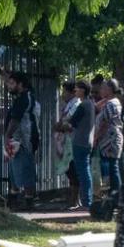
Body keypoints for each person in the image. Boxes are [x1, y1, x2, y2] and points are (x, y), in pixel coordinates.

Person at [2, 72, 40, 210]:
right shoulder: (24, 96)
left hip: (24, 140)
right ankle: (14, 200)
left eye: (12, 83)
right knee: (14, 171)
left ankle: (28, 202)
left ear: (21, 85)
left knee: (25, 170)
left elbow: (16, 119)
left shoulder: (24, 99)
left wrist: (7, 135)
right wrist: (4, 75)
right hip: (18, 140)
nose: (8, 86)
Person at [65, 81, 95, 209]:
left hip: (80, 142)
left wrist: (62, 124)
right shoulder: (91, 104)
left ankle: (87, 202)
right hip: (87, 141)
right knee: (85, 171)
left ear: (83, 90)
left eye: (77, 88)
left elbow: (71, 122)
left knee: (83, 173)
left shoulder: (83, 105)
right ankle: (87, 201)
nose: (75, 90)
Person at [94, 79, 123, 201]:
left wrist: (96, 137)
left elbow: (105, 123)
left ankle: (115, 196)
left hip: (110, 139)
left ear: (110, 89)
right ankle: (113, 195)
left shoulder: (111, 104)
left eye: (103, 88)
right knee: (111, 166)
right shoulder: (110, 102)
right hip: (108, 139)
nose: (100, 90)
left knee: (112, 166)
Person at [53, 80, 80, 209]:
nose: (63, 94)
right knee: (69, 170)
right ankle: (73, 200)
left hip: (72, 141)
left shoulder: (76, 104)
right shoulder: (69, 104)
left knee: (74, 170)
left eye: (64, 91)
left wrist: (60, 126)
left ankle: (75, 200)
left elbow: (69, 123)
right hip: (65, 141)